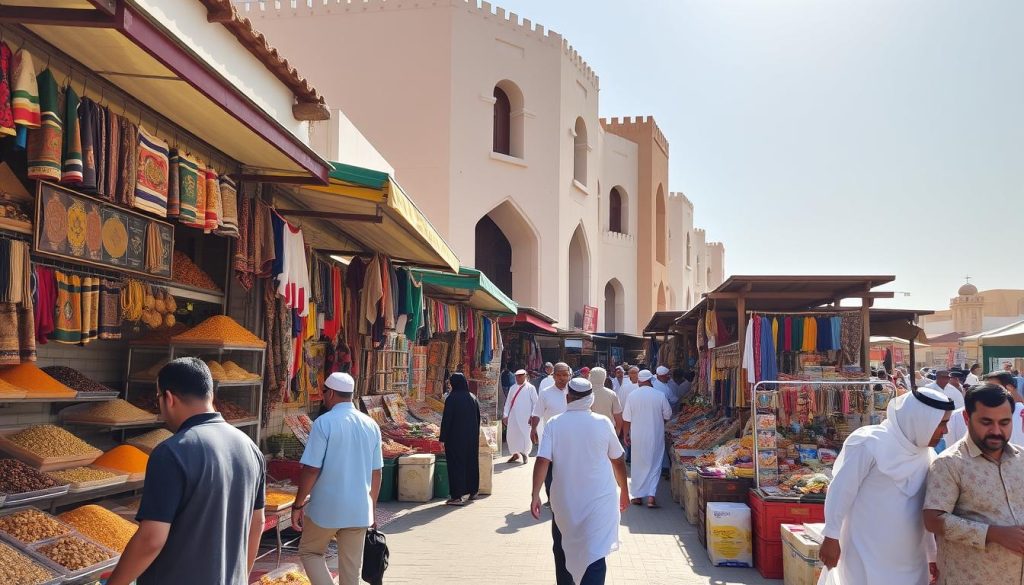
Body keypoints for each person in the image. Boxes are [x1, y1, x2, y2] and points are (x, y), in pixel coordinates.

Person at [107, 358, 266, 585]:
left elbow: (152, 538)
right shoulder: (250, 447)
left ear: (169, 398)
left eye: (158, 398)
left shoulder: (172, 452)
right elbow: (256, 524)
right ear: (210, 394)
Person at [819, 388, 952, 584]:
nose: (945, 431)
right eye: (941, 423)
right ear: (921, 420)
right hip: (865, 551)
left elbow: (924, 511)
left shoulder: (928, 455)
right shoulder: (869, 442)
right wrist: (831, 535)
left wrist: (931, 555)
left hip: (911, 559)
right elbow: (841, 490)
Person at [531, 377, 630, 585]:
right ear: (591, 400)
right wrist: (624, 490)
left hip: (565, 501)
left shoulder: (554, 424)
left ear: (568, 398)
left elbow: (542, 461)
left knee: (563, 548)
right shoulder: (603, 423)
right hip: (598, 502)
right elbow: (618, 460)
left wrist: (535, 495)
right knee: (595, 552)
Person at [924, 384, 1024, 584]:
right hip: (971, 577)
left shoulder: (1021, 458)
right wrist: (994, 534)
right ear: (967, 418)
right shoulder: (949, 464)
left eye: (1004, 423)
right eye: (986, 422)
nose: (997, 431)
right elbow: (932, 519)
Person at [292, 373, 383, 585]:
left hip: (327, 507)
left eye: (324, 392)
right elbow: (376, 472)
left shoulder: (324, 423)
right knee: (351, 571)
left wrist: (298, 504)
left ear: (331, 393)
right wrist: (372, 508)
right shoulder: (370, 425)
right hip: (359, 509)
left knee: (310, 552)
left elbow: (311, 468)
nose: (323, 397)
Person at [622, 370, 671, 508]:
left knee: (638, 464)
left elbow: (627, 418)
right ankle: (651, 497)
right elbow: (667, 415)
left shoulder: (632, 395)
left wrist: (625, 434)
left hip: (637, 436)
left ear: (639, 381)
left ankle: (637, 496)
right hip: (655, 435)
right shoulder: (660, 395)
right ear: (651, 380)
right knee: (655, 465)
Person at [942, 371, 1024, 450]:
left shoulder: (1020, 412)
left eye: (1004, 422)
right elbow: (950, 447)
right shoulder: (958, 416)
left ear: (1009, 388)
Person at [440, 373, 481, 506]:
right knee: (471, 462)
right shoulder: (472, 397)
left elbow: (447, 420)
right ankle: (473, 491)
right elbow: (478, 418)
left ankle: (457, 496)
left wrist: (443, 438)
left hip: (455, 439)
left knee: (456, 465)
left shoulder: (452, 399)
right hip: (471, 438)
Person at [503, 369, 538, 464]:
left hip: (526, 417)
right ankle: (515, 454)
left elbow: (535, 403)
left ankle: (525, 453)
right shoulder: (512, 388)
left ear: (525, 376)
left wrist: (532, 415)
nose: (518, 378)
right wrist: (505, 415)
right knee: (511, 435)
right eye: (517, 376)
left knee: (525, 435)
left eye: (520, 376)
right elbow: (508, 403)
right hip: (513, 416)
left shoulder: (531, 388)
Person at [588, 367, 623, 436]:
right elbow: (618, 416)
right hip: (608, 430)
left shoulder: (584, 393)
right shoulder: (611, 394)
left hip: (589, 431)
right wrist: (617, 433)